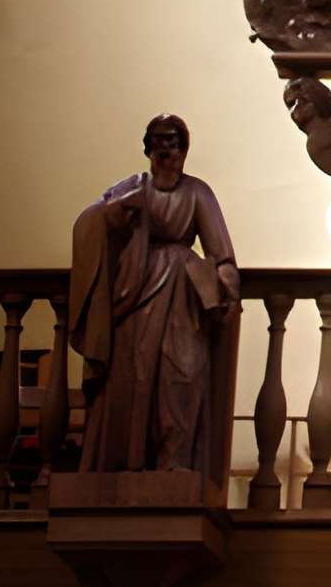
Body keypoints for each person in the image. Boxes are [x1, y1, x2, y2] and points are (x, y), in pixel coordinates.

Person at [69, 114, 239, 473]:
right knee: (133, 377)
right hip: (135, 289)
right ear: (148, 147)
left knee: (182, 375)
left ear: (184, 150)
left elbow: (221, 255)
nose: (166, 149)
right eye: (159, 141)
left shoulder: (197, 193)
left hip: (182, 293)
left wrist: (226, 286)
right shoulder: (131, 188)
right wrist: (114, 215)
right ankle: (128, 460)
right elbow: (92, 225)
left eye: (174, 142)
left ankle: (173, 460)